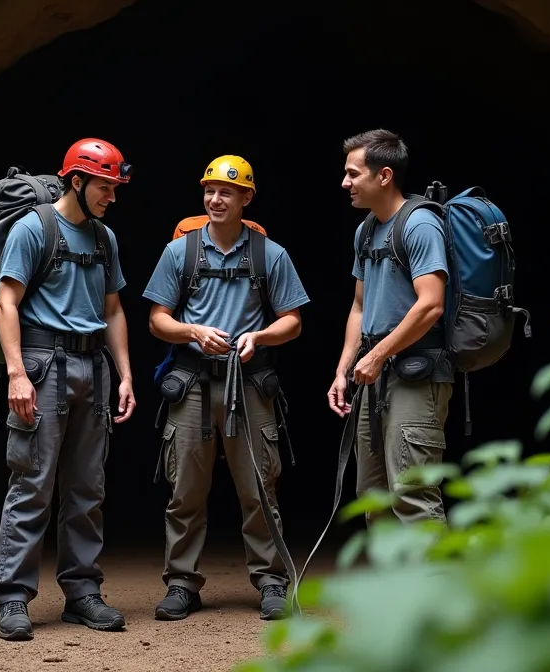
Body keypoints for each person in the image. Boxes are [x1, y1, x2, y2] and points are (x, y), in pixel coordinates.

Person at [142, 155, 309, 621]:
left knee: (259, 488)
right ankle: (181, 583)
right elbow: (157, 320)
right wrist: (193, 331)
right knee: (185, 489)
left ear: (246, 198)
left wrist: (260, 337)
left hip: (248, 383)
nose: (215, 199)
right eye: (210, 191)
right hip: (192, 383)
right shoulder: (179, 252)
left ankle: (271, 581)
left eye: (227, 192)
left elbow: (293, 321)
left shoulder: (270, 254)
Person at [0, 138, 137, 641]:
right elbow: (7, 302)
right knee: (32, 481)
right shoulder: (34, 228)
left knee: (87, 486)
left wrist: (125, 375)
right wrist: (16, 373)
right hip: (43, 363)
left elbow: (113, 309)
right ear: (77, 181)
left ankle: (82, 593)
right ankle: (13, 596)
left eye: (114, 189)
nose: (111, 197)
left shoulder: (104, 238)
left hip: (93, 366)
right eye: (104, 187)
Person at [327, 128, 453, 528]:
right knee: (373, 497)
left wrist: (378, 355)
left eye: (353, 174)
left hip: (416, 373)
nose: (344, 182)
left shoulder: (420, 224)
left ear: (384, 176)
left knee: (412, 495)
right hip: (374, 375)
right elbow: (359, 306)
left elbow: (431, 303)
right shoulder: (366, 230)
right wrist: (343, 370)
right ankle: (389, 573)